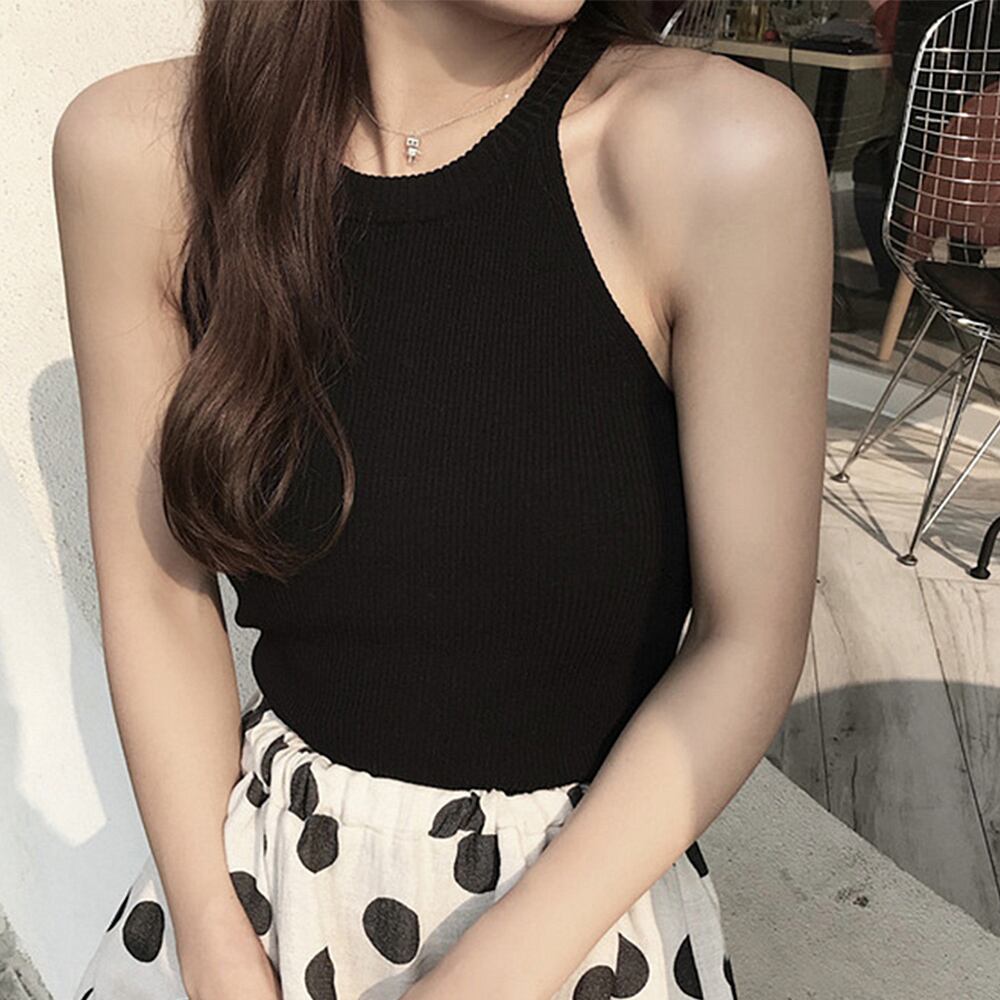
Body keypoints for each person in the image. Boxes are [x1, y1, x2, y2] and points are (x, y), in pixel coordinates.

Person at [53, 1, 831, 998]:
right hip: (257, 895)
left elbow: (749, 632)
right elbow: (157, 591)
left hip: (573, 923)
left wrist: (488, 977)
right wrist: (213, 939)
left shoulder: (714, 151)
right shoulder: (146, 157)